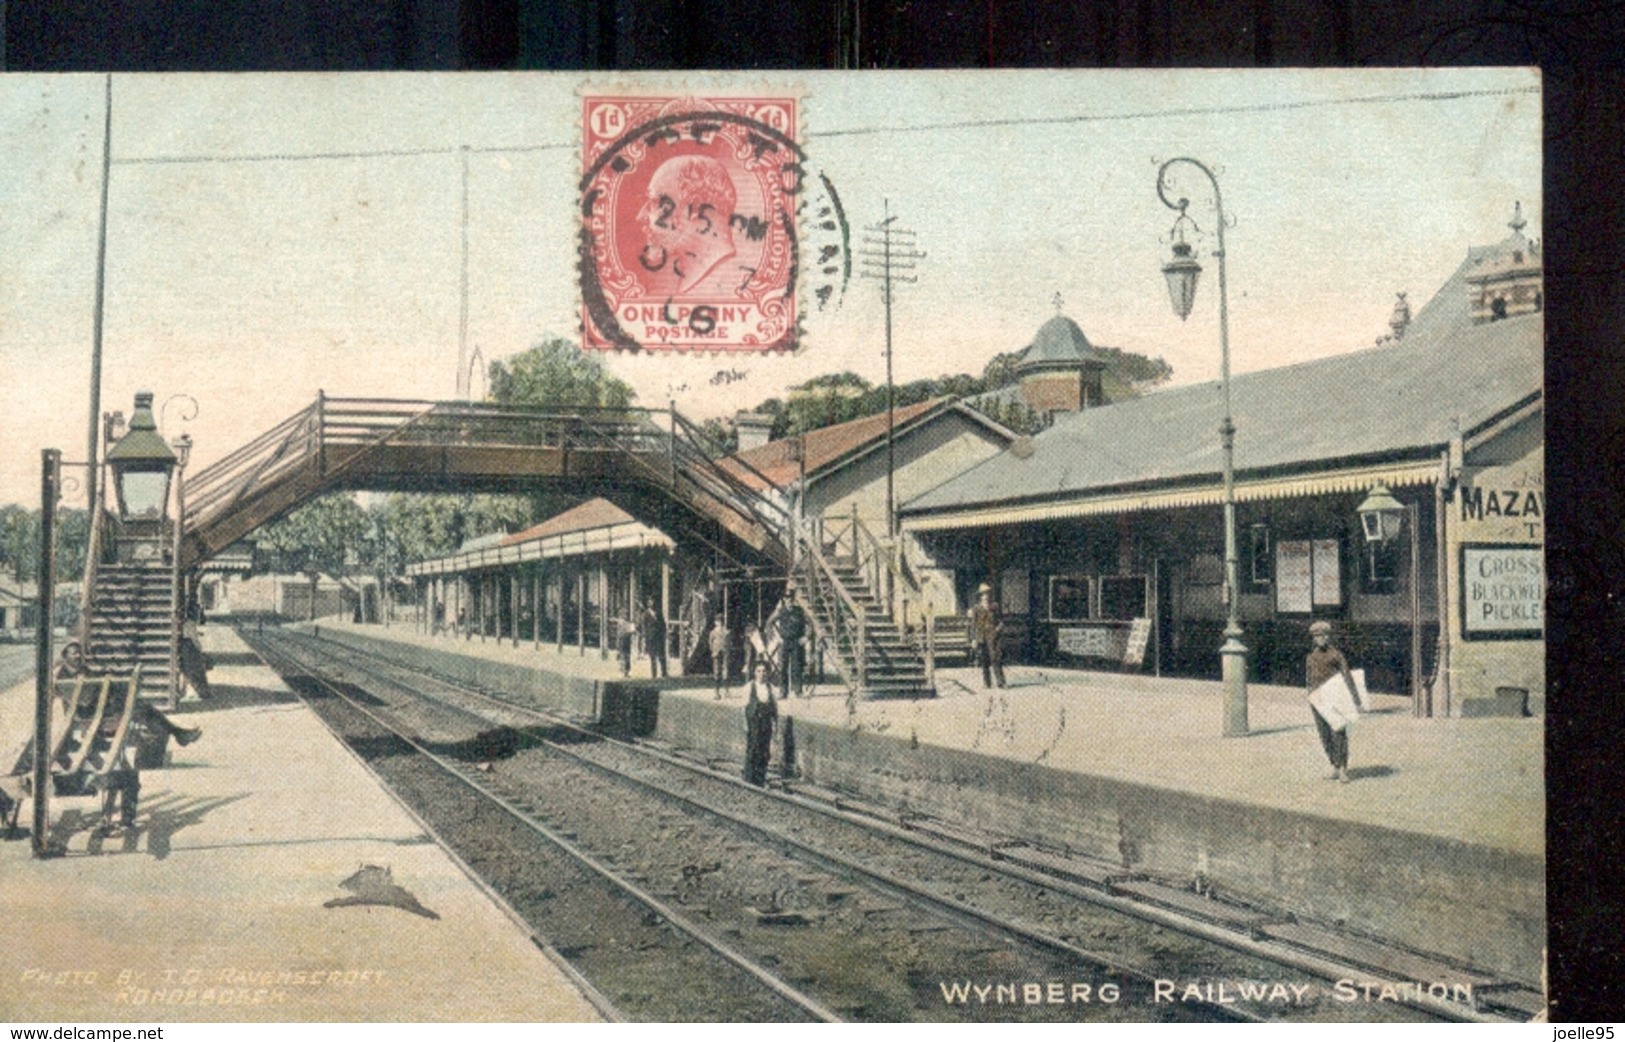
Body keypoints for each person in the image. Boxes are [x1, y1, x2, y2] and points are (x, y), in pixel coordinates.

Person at [633, 154, 739, 297]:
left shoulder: (729, 283)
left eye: (656, 203)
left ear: (695, 208)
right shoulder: (707, 285)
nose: (640, 217)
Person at [1305, 620, 1360, 784]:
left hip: (1334, 697)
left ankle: (1343, 768)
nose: (1320, 639)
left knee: (1338, 733)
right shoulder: (1311, 656)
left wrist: (1354, 698)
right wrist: (1310, 695)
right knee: (1324, 734)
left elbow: (1346, 675)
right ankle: (1334, 766)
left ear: (1328, 637)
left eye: (1323, 636)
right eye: (1316, 636)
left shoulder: (1336, 655)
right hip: (1317, 699)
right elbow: (1308, 678)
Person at [743, 662, 777, 786]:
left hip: (766, 723)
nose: (762, 674)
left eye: (764, 671)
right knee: (753, 749)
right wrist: (745, 724)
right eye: (759, 671)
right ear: (754, 673)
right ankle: (749, 778)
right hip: (753, 722)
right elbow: (744, 707)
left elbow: (774, 708)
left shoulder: (770, 687)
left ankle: (761, 777)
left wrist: (775, 724)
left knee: (764, 751)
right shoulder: (749, 687)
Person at [969, 583, 1006, 689]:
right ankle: (987, 683)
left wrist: (997, 630)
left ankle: (1000, 681)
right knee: (984, 660)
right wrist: (973, 639)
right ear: (980, 596)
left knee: (995, 658)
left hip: (993, 637)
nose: (985, 596)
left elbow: (1001, 622)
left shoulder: (995, 606)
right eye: (983, 594)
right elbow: (973, 624)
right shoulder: (976, 608)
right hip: (981, 637)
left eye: (987, 593)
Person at [177, 594, 214, 701]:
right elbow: (194, 639)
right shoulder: (190, 623)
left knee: (189, 671)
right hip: (190, 648)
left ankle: (192, 692)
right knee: (196, 671)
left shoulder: (186, 623)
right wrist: (199, 649)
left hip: (185, 646)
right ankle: (199, 692)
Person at [775, 588, 809, 698]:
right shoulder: (780, 611)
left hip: (796, 642)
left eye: (790, 597)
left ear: (793, 598)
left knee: (797, 667)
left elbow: (811, 625)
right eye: (786, 597)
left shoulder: (799, 611)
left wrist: (806, 637)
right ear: (783, 599)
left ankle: (798, 691)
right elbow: (768, 624)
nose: (788, 599)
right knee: (783, 667)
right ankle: (783, 691)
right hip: (784, 642)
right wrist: (777, 637)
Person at [641, 600, 668, 678]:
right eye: (650, 602)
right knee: (653, 656)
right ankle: (654, 674)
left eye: (652, 602)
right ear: (647, 604)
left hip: (659, 637)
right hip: (651, 638)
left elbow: (663, 624)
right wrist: (645, 637)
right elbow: (644, 627)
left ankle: (664, 672)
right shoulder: (645, 614)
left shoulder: (659, 613)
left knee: (662, 655)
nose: (652, 604)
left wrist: (664, 633)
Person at [708, 617, 734, 699]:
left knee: (725, 670)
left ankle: (726, 691)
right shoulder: (713, 632)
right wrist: (713, 650)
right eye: (718, 621)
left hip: (725, 652)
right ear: (715, 622)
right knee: (717, 671)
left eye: (721, 621)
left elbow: (729, 642)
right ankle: (717, 692)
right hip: (717, 652)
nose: (719, 623)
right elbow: (710, 642)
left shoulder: (727, 632)